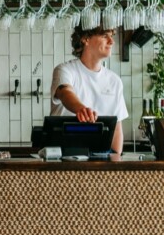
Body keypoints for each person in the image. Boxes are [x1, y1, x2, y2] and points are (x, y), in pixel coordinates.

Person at [50, 26, 128, 154]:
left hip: (101, 158)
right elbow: (65, 93)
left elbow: (116, 128)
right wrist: (81, 109)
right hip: (63, 157)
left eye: (111, 36)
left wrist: (115, 161)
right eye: (104, 36)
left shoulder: (115, 81)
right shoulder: (65, 70)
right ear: (85, 39)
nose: (111, 41)